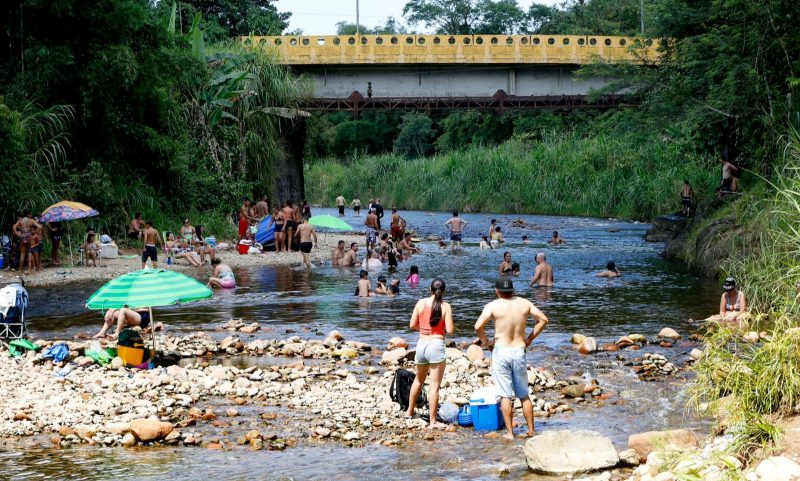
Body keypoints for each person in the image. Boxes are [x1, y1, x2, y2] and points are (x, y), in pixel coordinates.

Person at [474, 279, 549, 440]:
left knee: (505, 395)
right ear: (512, 290)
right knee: (523, 394)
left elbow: (477, 326)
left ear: (497, 291)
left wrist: (486, 343)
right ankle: (531, 430)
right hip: (519, 350)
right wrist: (529, 339)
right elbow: (543, 320)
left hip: (501, 350)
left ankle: (510, 433)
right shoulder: (524, 303)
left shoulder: (493, 306)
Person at [406, 278, 454, 429]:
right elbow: (451, 330)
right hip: (436, 345)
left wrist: (424, 328)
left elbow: (412, 325)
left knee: (418, 380)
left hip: (421, 345)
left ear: (430, 289)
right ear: (444, 291)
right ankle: (432, 421)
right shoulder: (446, 306)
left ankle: (409, 411)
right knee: (434, 386)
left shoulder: (420, 303)